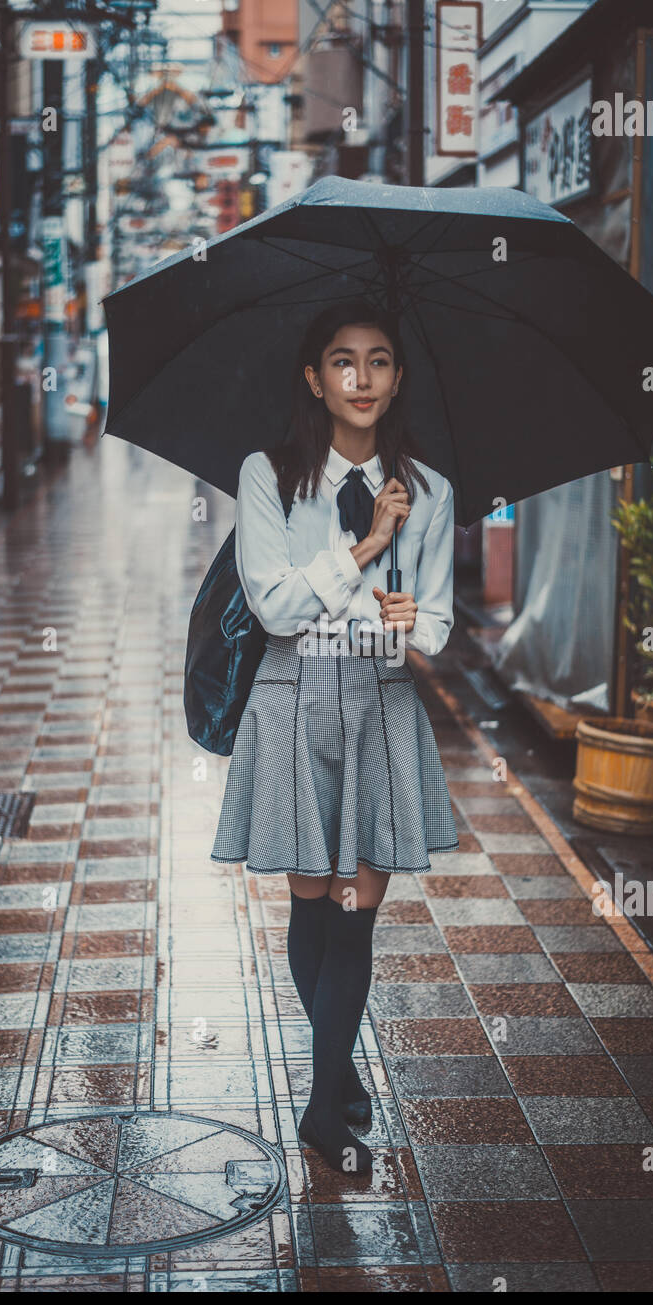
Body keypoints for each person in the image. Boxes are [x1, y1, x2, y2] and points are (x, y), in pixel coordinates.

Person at [210, 298, 458, 1174]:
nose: (362, 377)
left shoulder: (429, 491)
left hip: (381, 701)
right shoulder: (268, 476)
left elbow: (436, 628)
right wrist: (365, 548)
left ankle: (323, 1109)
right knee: (311, 902)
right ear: (316, 378)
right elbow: (275, 606)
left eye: (380, 360)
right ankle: (337, 1072)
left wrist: (409, 617)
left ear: (396, 379)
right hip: (294, 694)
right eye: (344, 361)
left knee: (357, 912)